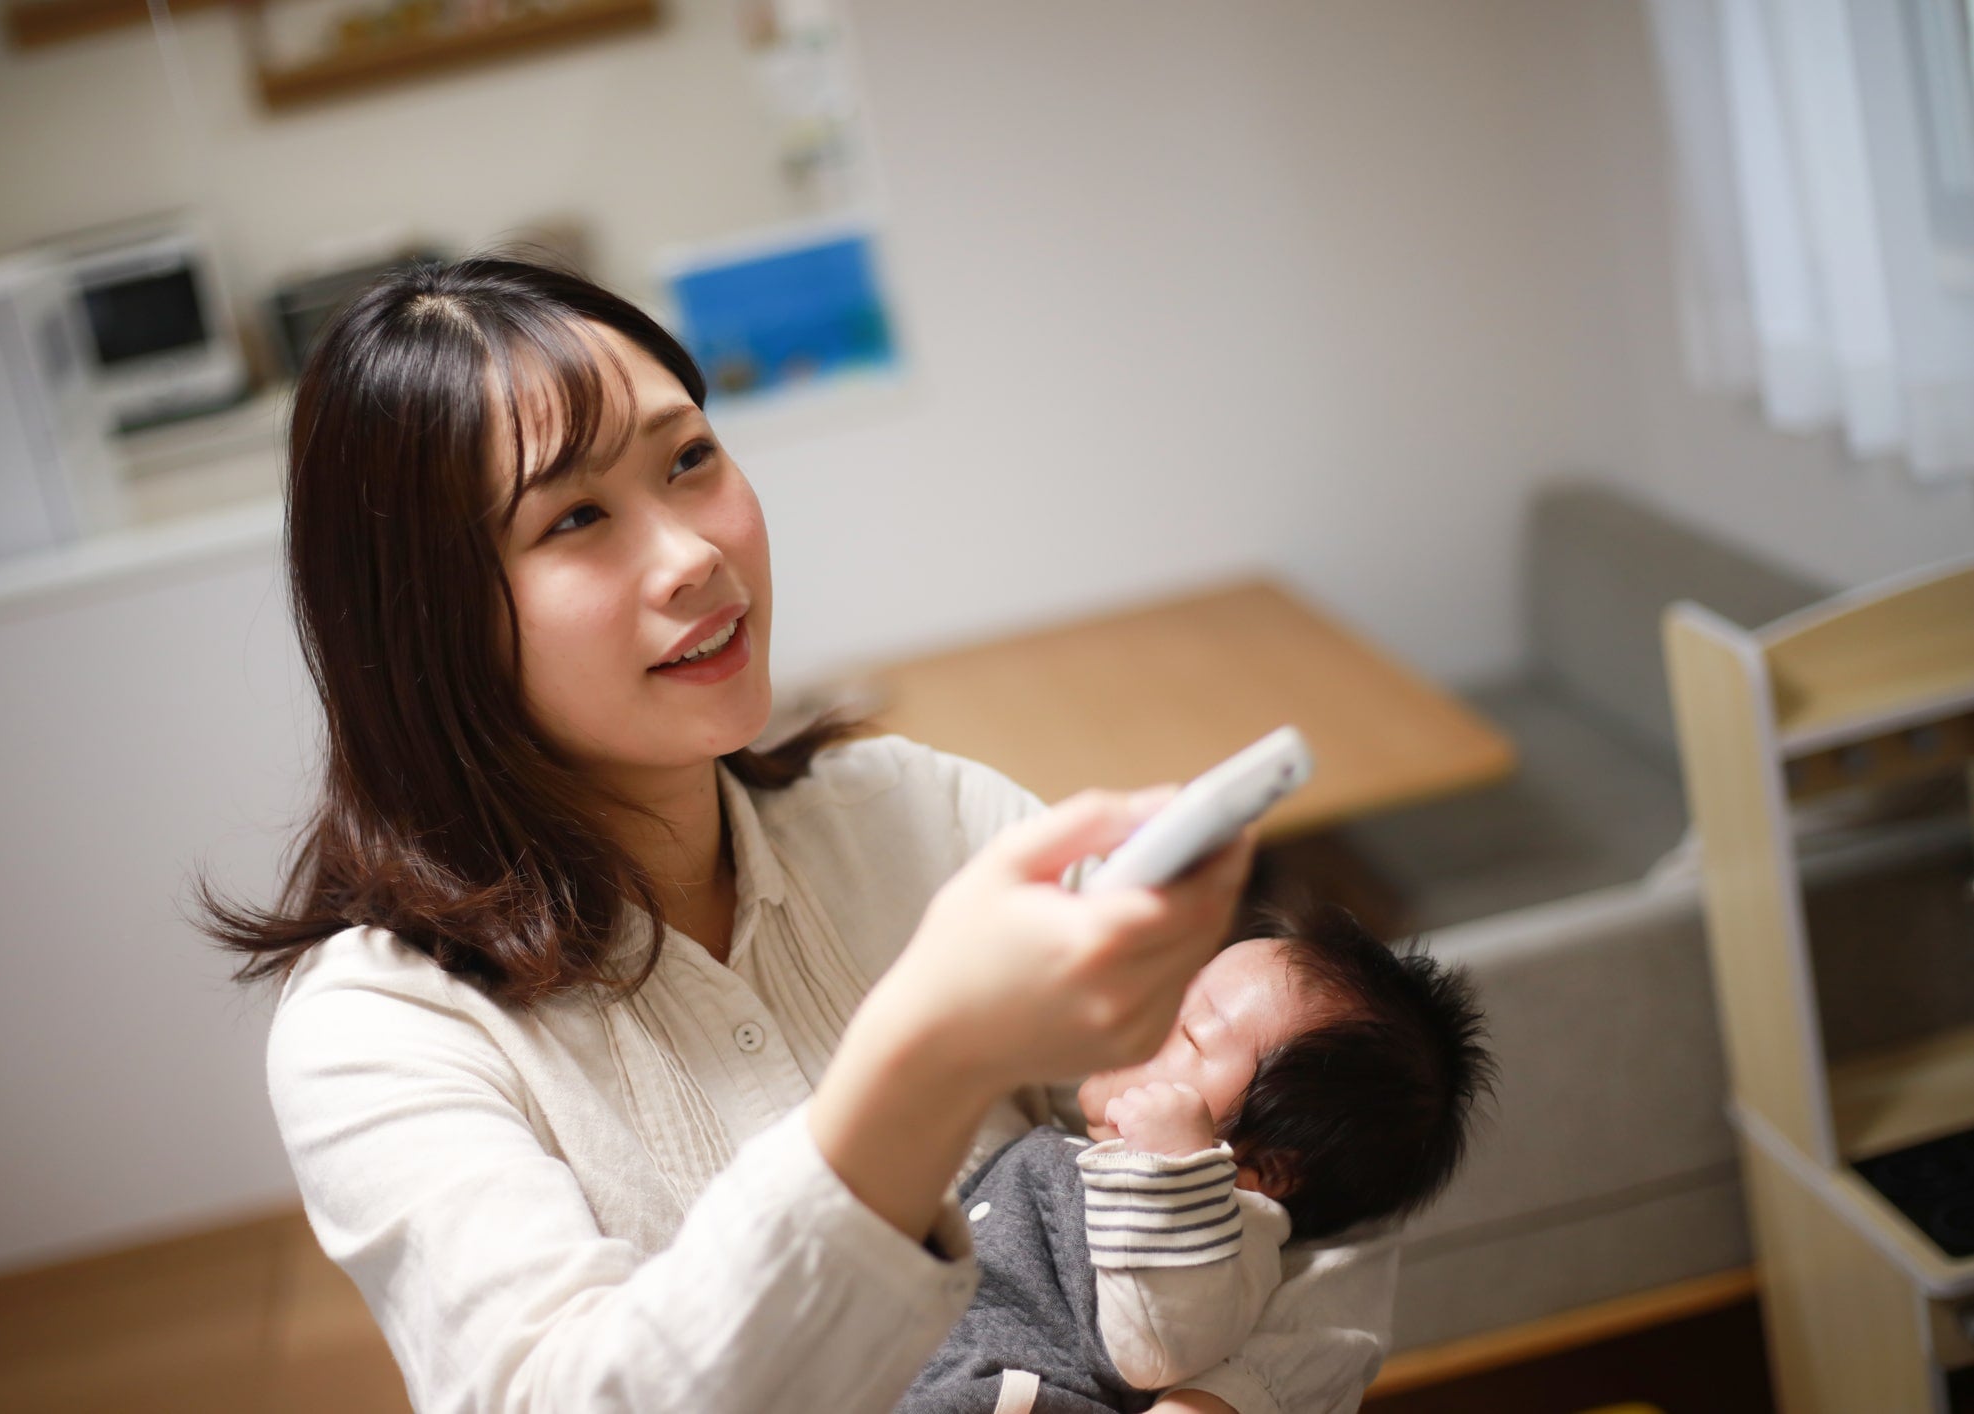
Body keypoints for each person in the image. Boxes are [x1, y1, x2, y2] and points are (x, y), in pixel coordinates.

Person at [203, 257, 1398, 1414]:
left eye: (690, 459)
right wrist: (923, 1059)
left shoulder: (919, 814)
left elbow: (1313, 1166)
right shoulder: (378, 1031)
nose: (692, 554)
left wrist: (1217, 1403)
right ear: (426, 623)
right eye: (574, 517)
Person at [898, 903, 1492, 1413]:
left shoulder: (1226, 1229)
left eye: (1192, 1035)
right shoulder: (1079, 1151)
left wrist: (1173, 1171)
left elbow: (1159, 1345)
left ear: (1267, 1169)